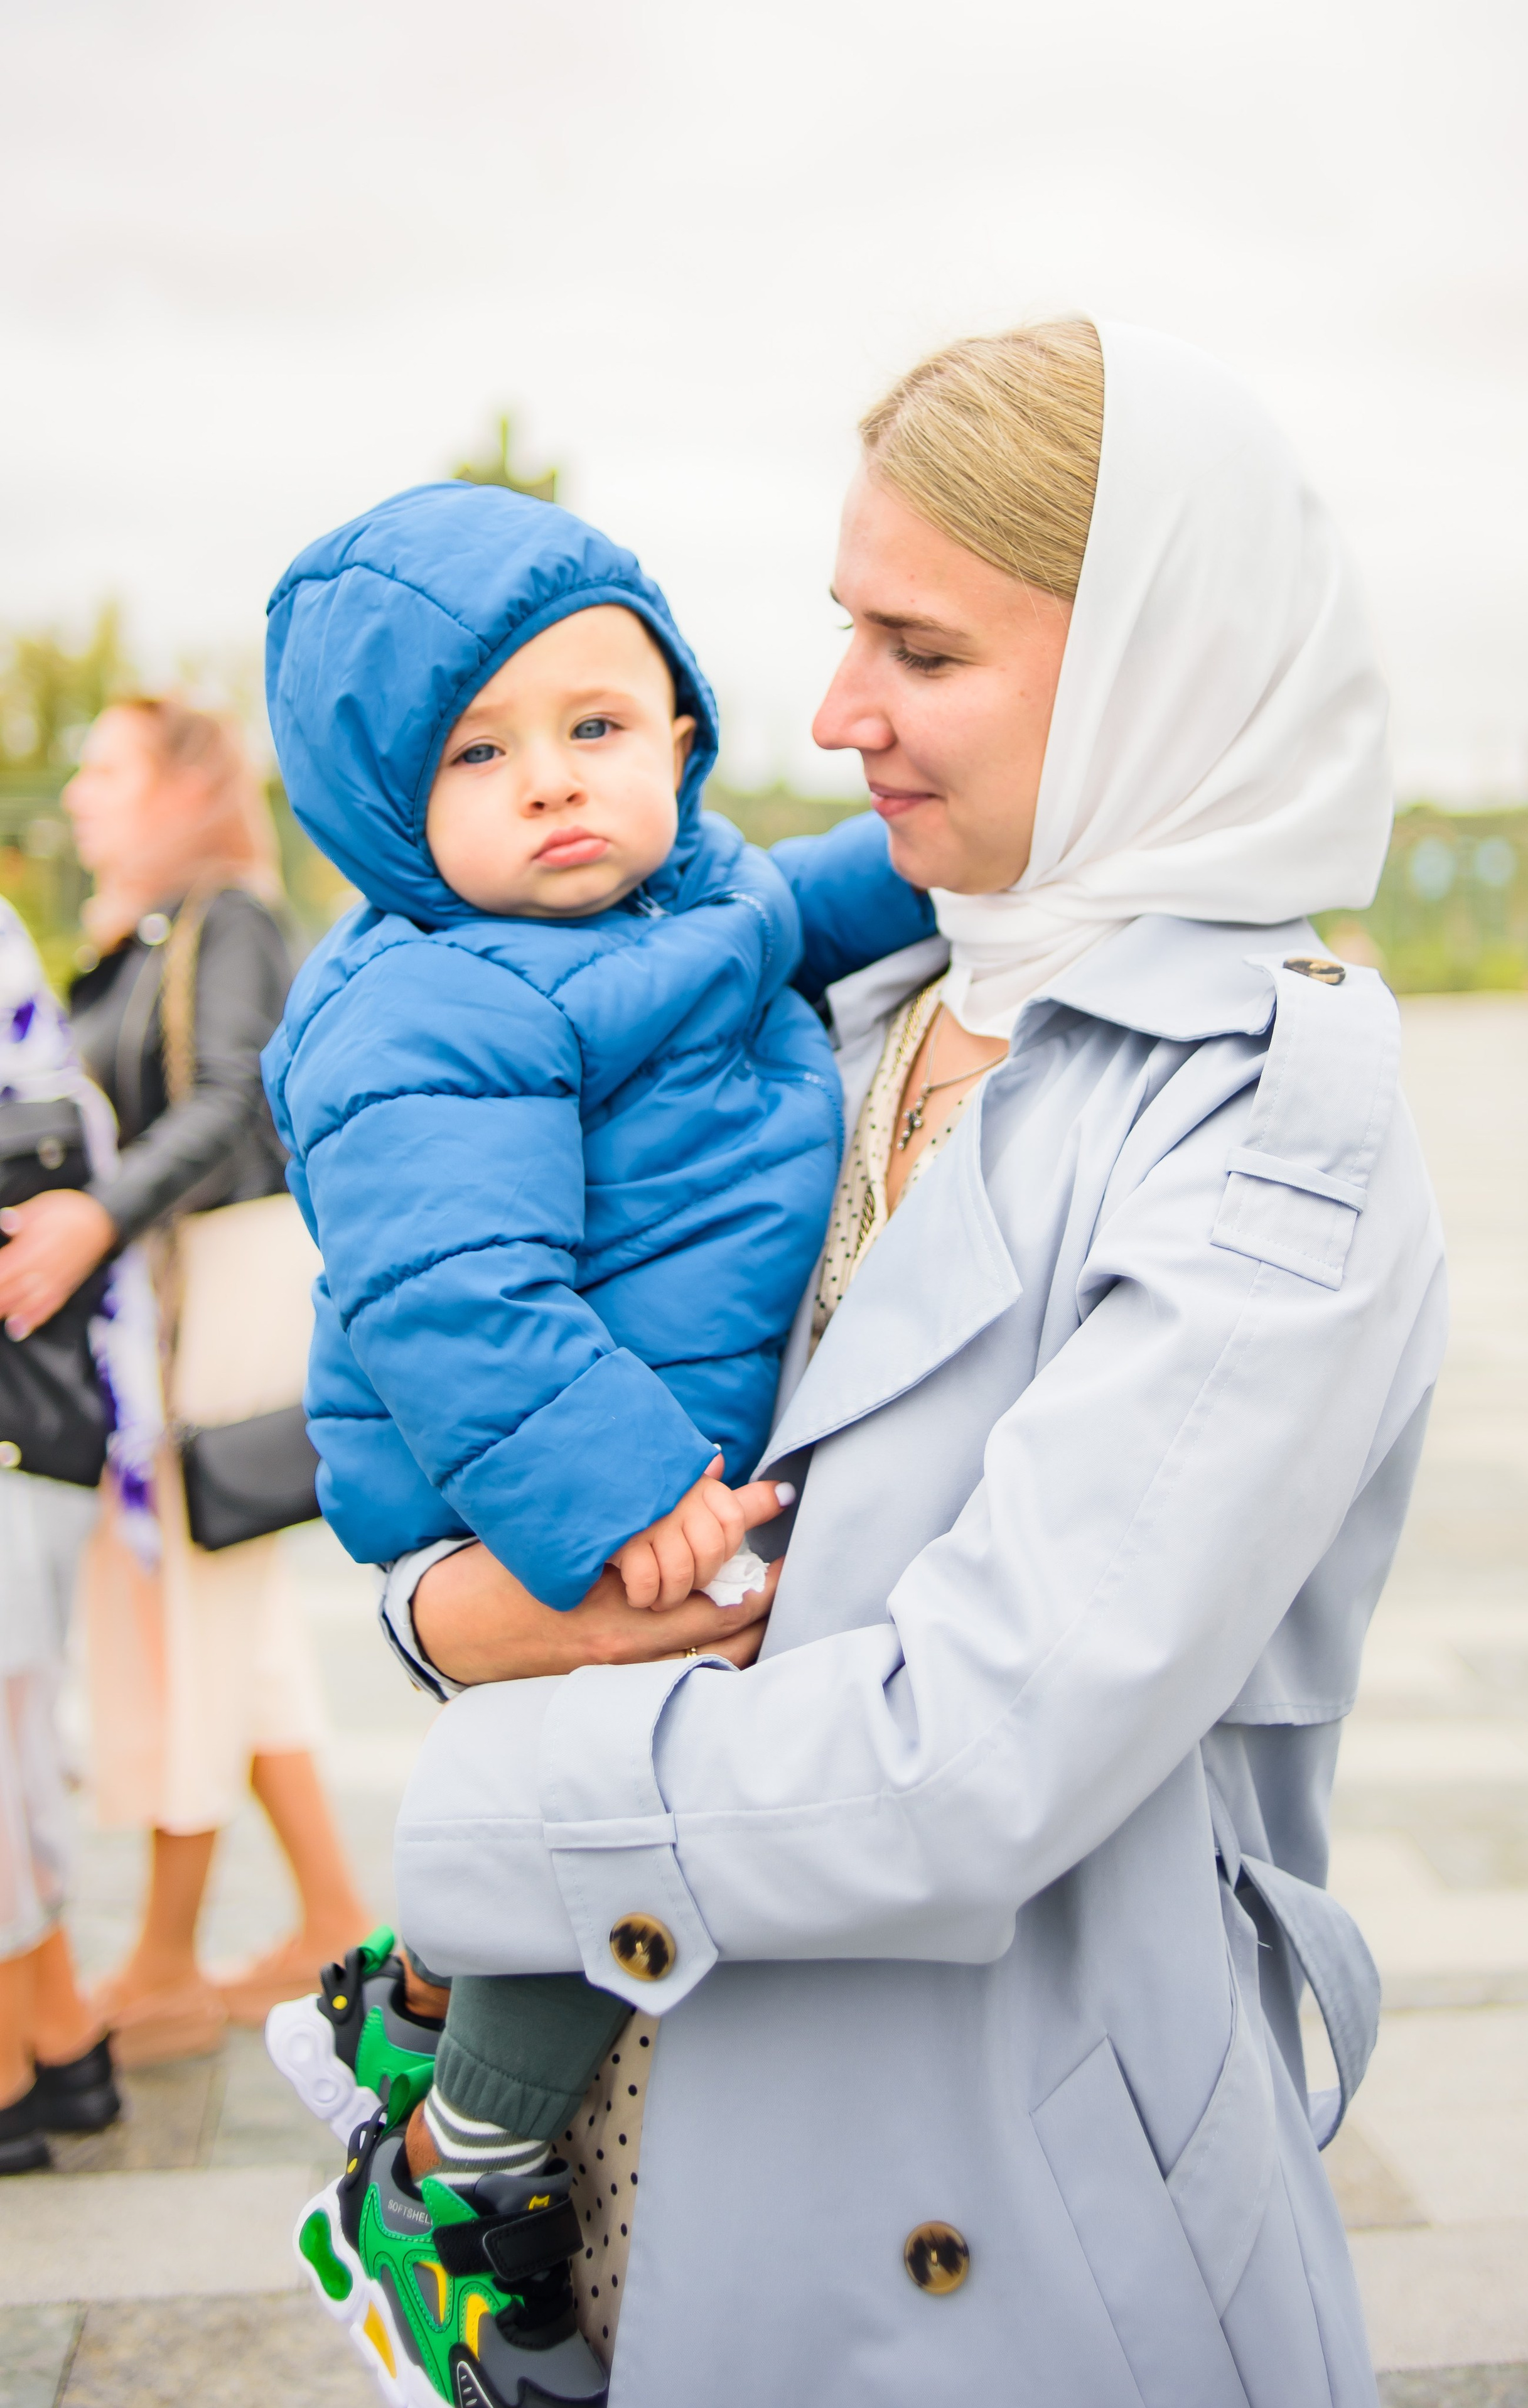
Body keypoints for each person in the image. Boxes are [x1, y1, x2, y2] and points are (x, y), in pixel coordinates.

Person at [324, 318, 1449, 2408]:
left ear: (1156, 667)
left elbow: (968, 1761)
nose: (836, 710)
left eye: (919, 650)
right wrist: (436, 1607)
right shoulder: (863, 1004)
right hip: (649, 2139)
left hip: (997, 2208)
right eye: (846, 630)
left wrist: (475, 1781)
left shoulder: (1267, 1111)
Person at [257, 484, 933, 2402]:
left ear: (681, 737)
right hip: (529, 1480)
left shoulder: (699, 898)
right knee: (624, 1804)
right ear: (383, 809)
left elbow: (830, 891)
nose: (554, 781)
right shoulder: (419, 1008)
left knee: (611, 1787)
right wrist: (620, 1489)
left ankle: (405, 2003)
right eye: (476, 755)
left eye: (598, 726)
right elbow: (456, 1293)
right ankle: (453, 2176)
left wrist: (998, 850)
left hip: (637, 1456)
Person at [0, 696, 369, 2061]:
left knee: (191, 1619)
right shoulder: (149, 932)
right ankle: (330, 1910)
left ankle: (163, 1957)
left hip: (224, 1278)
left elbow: (231, 1097)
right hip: (182, 1281)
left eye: (106, 769)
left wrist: (95, 1219)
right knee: (236, 1624)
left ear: (180, 789)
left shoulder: (229, 918)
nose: (78, 795)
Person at [0, 902, 129, 2172]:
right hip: (42, 1419)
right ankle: (60, 2038)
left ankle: (18, 2062)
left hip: (22, 1422)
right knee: (16, 1747)